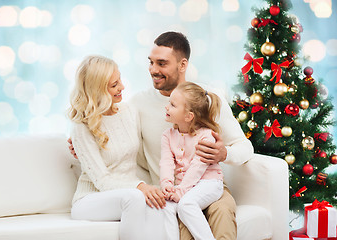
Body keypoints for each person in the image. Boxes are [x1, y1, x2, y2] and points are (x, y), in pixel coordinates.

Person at [69, 32, 254, 239]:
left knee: (222, 212)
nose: (153, 70)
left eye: (162, 63)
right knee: (183, 224)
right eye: (151, 62)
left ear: (182, 65)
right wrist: (83, 146)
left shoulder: (207, 98)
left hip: (206, 184)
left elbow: (245, 148)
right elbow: (115, 137)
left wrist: (224, 153)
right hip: (169, 193)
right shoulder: (137, 105)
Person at [67, 55, 165, 240]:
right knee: (135, 198)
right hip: (90, 199)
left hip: (128, 193)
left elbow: (135, 159)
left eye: (119, 79)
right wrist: (140, 186)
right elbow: (102, 181)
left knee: (160, 204)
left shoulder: (129, 111)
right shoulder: (82, 127)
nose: (122, 87)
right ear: (97, 90)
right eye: (114, 85)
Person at [160, 82, 224, 240]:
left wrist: (181, 191)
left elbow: (197, 167)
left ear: (189, 116)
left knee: (186, 205)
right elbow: (166, 163)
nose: (167, 107)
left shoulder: (206, 135)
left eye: (173, 105)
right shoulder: (167, 136)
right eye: (169, 103)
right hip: (185, 186)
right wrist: (167, 185)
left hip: (209, 183)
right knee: (166, 206)